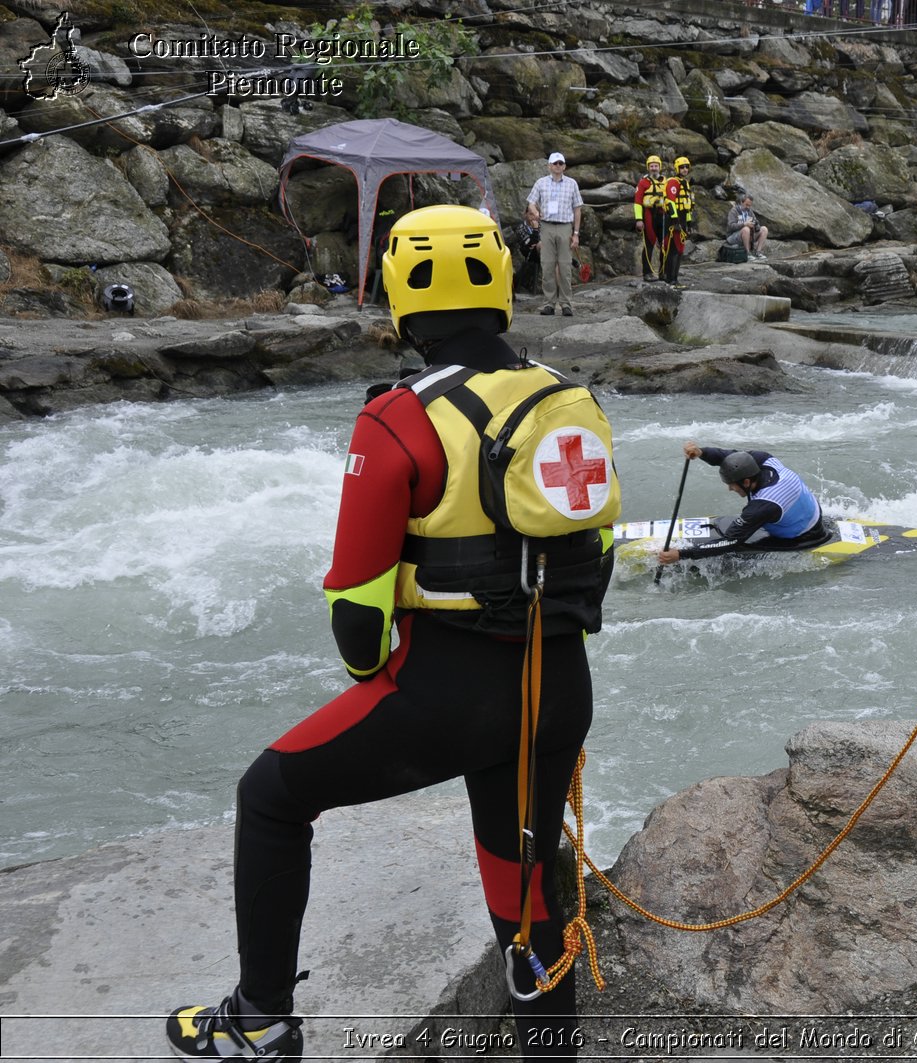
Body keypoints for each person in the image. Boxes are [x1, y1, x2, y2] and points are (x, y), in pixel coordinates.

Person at [164, 204, 619, 1060]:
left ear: (400, 294)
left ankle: (259, 1020)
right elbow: (588, 558)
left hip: (445, 688)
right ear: (502, 287)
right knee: (519, 877)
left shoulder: (395, 418)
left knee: (270, 796)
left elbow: (358, 620)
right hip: (558, 687)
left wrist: (390, 678)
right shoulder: (568, 399)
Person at [656, 441, 825, 563]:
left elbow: (729, 542)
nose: (730, 489)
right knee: (741, 526)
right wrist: (701, 452)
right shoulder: (763, 459)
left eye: (732, 485)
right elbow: (727, 456)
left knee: (733, 542)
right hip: (810, 511)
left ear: (745, 482)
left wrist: (681, 555)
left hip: (802, 535)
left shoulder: (763, 506)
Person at [524, 151, 583, 316]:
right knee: (547, 264)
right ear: (549, 166)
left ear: (564, 166)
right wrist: (535, 211)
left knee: (565, 266)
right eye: (555, 163)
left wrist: (576, 233)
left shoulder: (572, 184)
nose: (558, 166)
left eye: (560, 163)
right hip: (547, 226)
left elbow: (577, 209)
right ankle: (549, 303)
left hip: (565, 227)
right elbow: (531, 202)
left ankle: (566, 304)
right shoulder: (541, 183)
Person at [633, 153, 669, 282]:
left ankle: (663, 272)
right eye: (651, 166)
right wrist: (639, 219)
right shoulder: (643, 182)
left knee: (665, 244)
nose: (654, 168)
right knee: (649, 243)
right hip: (648, 215)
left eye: (656, 166)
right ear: (648, 168)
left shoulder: (665, 182)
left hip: (662, 215)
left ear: (660, 167)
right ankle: (647, 273)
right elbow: (637, 202)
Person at [662, 156, 696, 288]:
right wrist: (675, 220)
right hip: (673, 220)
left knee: (678, 250)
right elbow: (670, 201)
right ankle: (672, 280)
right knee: (675, 250)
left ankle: (671, 279)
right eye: (682, 167)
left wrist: (689, 223)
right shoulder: (673, 182)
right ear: (677, 168)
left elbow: (687, 206)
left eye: (687, 167)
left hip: (682, 219)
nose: (685, 169)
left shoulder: (685, 184)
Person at [726, 193, 769, 260]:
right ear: (741, 202)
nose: (748, 207)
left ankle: (758, 252)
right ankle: (747, 253)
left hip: (749, 236)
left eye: (750, 205)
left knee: (764, 229)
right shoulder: (734, 211)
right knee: (746, 229)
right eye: (746, 205)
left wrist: (755, 224)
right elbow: (731, 226)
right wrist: (744, 224)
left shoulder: (750, 212)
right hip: (734, 237)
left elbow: (757, 224)